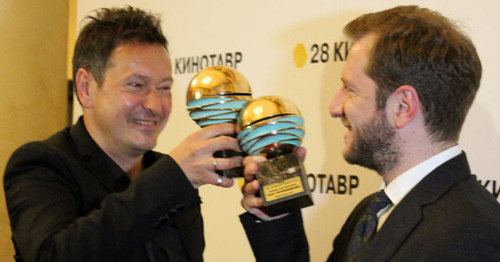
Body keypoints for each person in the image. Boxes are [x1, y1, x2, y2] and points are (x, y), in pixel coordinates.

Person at [240, 5, 500, 262]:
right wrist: (278, 214)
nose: (334, 107)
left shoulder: (473, 235)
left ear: (402, 106)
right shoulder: (372, 210)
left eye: (351, 90)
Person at [4, 6, 241, 262]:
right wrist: (173, 177)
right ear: (85, 88)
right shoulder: (42, 164)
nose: (154, 105)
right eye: (136, 85)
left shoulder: (167, 173)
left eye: (164, 88)